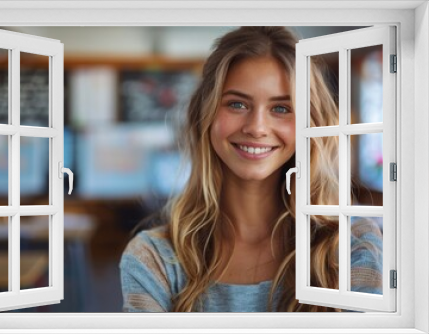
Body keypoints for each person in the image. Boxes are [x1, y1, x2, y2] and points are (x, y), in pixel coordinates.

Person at [119, 26, 383, 312]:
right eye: (237, 104)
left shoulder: (352, 246)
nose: (257, 127)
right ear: (204, 115)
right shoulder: (152, 258)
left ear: (311, 124)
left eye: (281, 108)